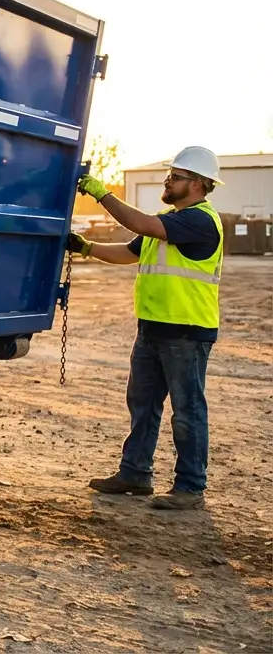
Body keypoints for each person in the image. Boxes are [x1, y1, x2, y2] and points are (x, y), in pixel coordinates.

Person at [66, 146, 224, 510]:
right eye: (170, 174)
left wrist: (101, 193)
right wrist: (87, 247)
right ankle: (135, 473)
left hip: (186, 331)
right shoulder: (171, 221)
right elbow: (129, 251)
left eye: (176, 177)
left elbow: (141, 225)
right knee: (143, 405)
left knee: (187, 411)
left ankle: (190, 487)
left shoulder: (199, 221)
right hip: (154, 328)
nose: (168, 181)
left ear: (199, 184)